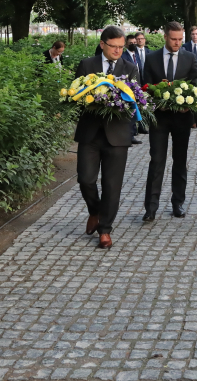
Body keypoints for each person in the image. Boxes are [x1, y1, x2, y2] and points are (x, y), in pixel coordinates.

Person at [74, 26, 139, 249]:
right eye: (114, 46)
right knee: (85, 179)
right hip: (90, 134)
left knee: (112, 186)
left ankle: (105, 230)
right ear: (103, 44)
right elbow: (76, 96)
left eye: (122, 47)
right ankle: (94, 211)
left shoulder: (130, 68)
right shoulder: (86, 65)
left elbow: (134, 101)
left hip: (117, 135)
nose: (118, 51)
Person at [142, 22, 197, 222]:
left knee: (180, 161)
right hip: (159, 118)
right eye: (174, 39)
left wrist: (189, 103)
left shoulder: (189, 57)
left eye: (180, 40)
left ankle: (178, 203)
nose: (177, 43)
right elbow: (145, 86)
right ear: (165, 37)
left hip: (182, 117)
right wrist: (157, 100)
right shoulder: (151, 59)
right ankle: (150, 207)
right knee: (157, 160)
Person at [121, 42, 145, 145]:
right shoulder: (123, 56)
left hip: (136, 85)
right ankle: (127, 136)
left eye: (135, 42)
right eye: (131, 42)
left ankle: (132, 134)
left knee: (133, 112)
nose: (133, 44)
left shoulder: (137, 55)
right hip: (124, 88)